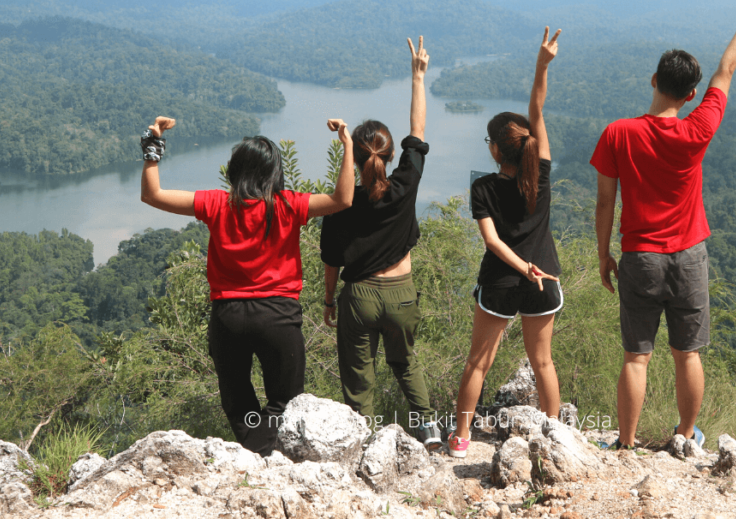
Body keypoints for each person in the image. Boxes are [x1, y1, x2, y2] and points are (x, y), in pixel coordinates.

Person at [591, 0, 736, 450]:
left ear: (652, 80)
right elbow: (726, 70)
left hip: (640, 257)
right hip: (689, 255)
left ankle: (626, 445)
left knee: (636, 357)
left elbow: (605, 201)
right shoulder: (697, 131)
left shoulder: (618, 134)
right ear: (690, 95)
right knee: (687, 354)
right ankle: (685, 436)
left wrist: (604, 254)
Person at [139, 116, 355, 455]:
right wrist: (347, 145)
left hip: (228, 317)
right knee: (286, 403)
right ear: (274, 174)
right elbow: (343, 199)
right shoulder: (288, 205)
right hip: (279, 317)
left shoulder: (217, 204)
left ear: (234, 171)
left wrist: (152, 145)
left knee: (237, 401)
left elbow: (152, 195)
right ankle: (271, 456)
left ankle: (256, 454)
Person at [320, 36, 442, 449]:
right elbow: (418, 131)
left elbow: (332, 260)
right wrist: (418, 77)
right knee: (406, 364)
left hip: (358, 299)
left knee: (359, 377)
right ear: (390, 155)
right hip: (402, 292)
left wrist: (326, 300)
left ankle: (363, 446)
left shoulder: (342, 203)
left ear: (355, 157)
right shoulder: (405, 184)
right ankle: (429, 431)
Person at [449, 27, 563, 459]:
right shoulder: (544, 175)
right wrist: (541, 65)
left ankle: (461, 440)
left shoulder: (483, 189)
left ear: (496, 151)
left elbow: (493, 243)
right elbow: (537, 109)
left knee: (478, 362)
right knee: (543, 364)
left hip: (500, 282)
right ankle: (554, 439)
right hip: (542, 279)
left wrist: (518, 267)